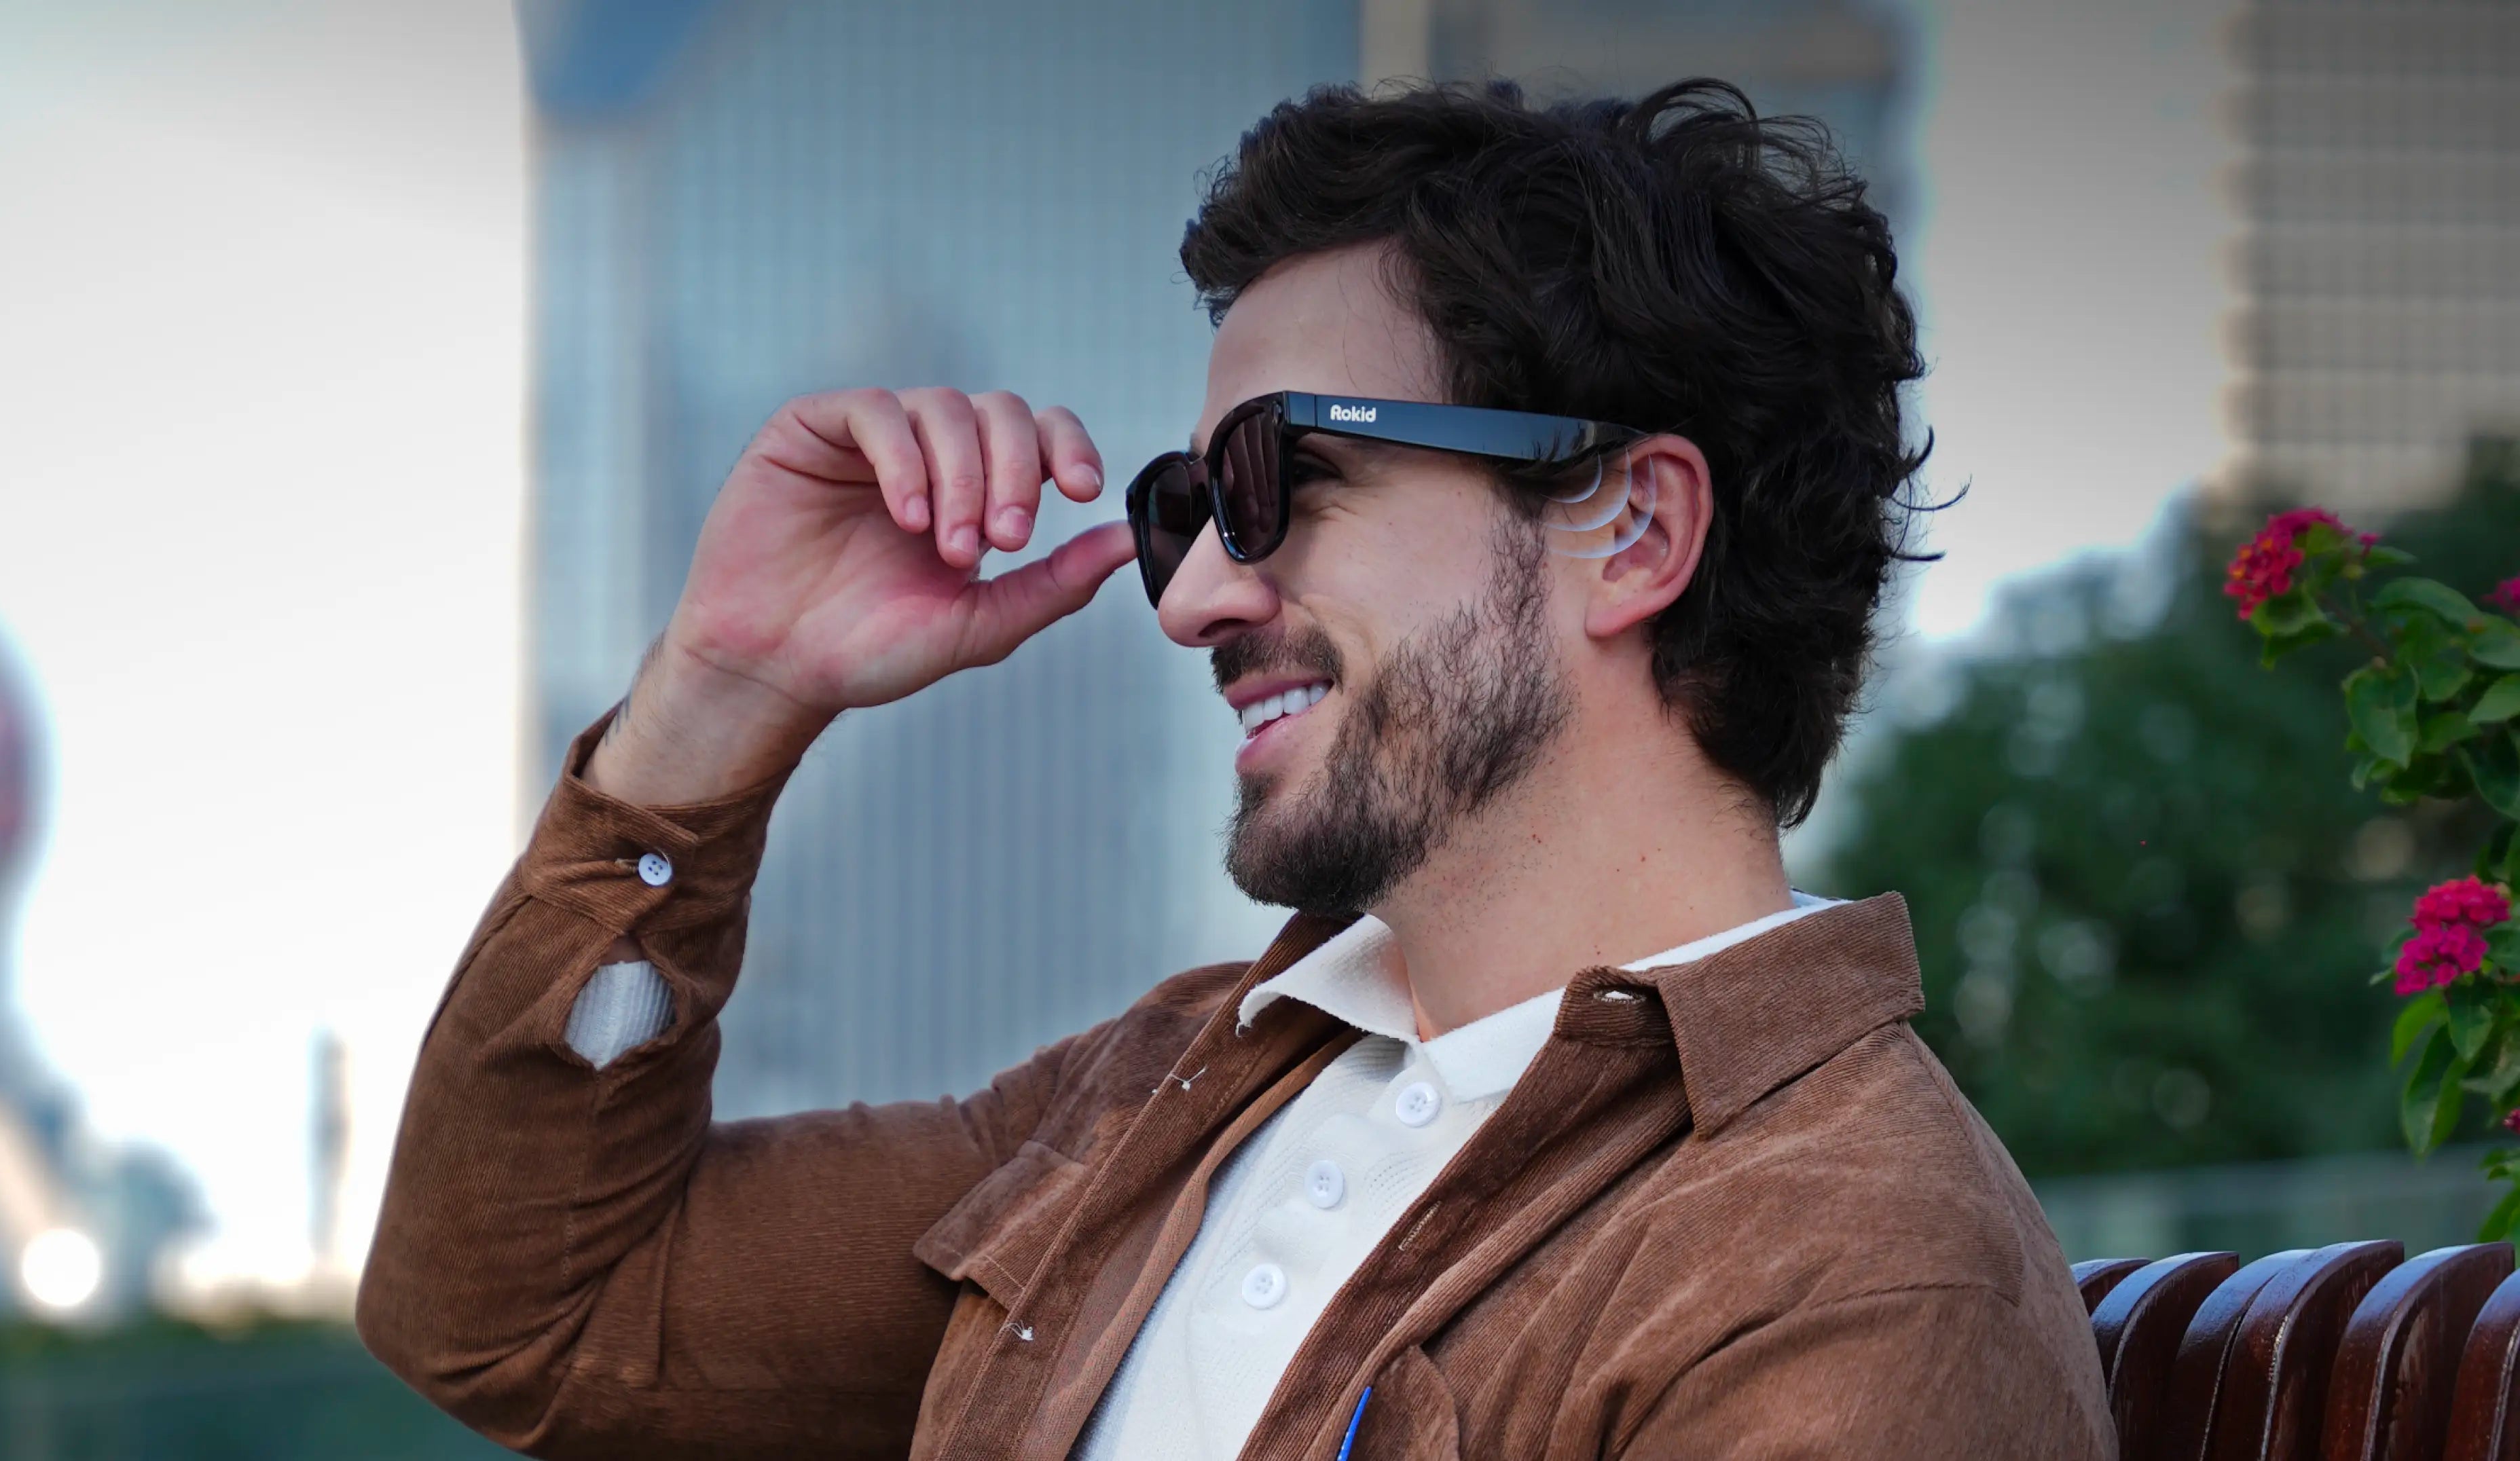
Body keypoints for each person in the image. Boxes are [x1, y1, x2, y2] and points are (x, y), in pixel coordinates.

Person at [359, 79, 2116, 1459]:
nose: (1194, 593)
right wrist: (719, 697)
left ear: (1632, 529)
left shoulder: (1848, 1266)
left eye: (1286, 481)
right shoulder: (1180, 1088)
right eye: (1185, 507)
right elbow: (518, 1316)